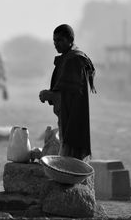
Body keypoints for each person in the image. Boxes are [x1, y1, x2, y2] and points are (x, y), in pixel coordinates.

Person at [39, 24, 96, 161]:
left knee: (69, 159)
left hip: (73, 118)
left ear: (70, 40)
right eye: (54, 41)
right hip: (68, 117)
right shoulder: (69, 57)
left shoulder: (73, 60)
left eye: (59, 40)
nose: (56, 44)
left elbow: (70, 95)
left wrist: (48, 95)